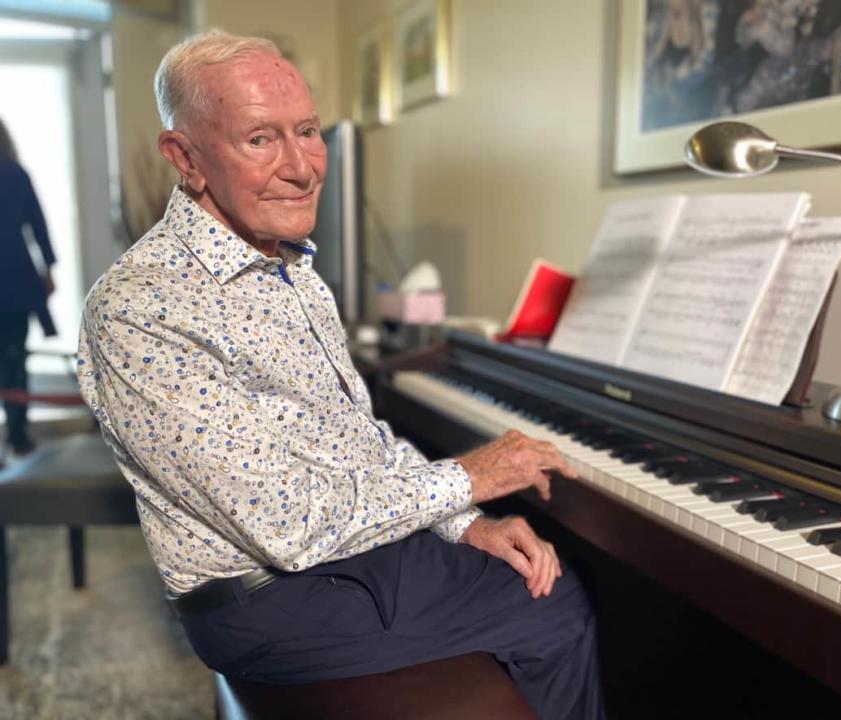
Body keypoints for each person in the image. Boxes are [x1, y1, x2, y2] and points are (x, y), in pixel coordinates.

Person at [77, 31, 605, 719]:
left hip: (330, 560)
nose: (302, 167)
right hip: (269, 599)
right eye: (260, 139)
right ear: (185, 158)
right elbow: (287, 525)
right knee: (557, 602)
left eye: (306, 131)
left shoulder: (288, 263)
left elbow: (354, 438)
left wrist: (461, 522)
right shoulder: (139, 306)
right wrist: (472, 475)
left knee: (540, 573)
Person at [0, 118, 57, 457]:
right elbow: (37, 225)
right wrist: (47, 268)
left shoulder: (17, 175)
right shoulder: (16, 175)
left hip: (15, 279)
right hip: (18, 278)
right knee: (14, 359)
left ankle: (17, 434)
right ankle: (18, 435)